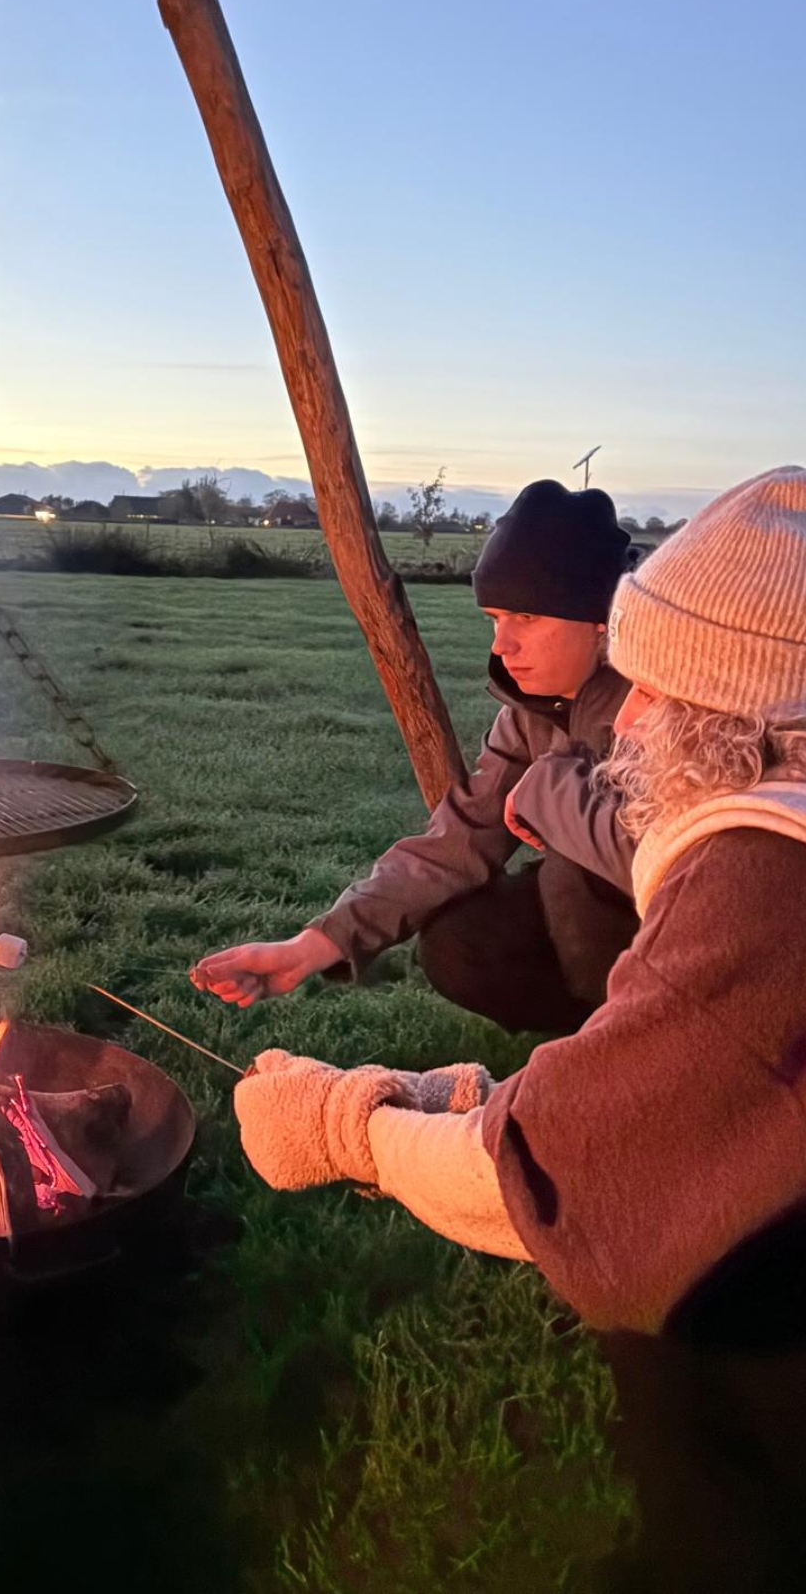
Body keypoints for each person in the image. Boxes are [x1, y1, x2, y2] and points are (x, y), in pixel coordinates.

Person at [232, 466, 806, 1591]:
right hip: (713, 1055)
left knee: (686, 1332)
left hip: (686, 1032)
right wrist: (320, 941)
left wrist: (343, 1123)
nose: (635, 712)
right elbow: (461, 834)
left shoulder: (757, 888)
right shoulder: (718, 778)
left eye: (660, 680)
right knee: (483, 920)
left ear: (740, 691)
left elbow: (556, 1169)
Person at [193, 478, 637, 1034]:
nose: (502, 645)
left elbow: (657, 861)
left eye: (528, 618)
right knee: (461, 943)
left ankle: (639, 1052)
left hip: (686, 927)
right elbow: (460, 838)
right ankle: (593, 1043)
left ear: (602, 620)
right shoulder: (531, 710)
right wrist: (319, 943)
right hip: (605, 937)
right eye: (495, 619)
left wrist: (547, 789)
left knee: (576, 878)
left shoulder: (664, 701)